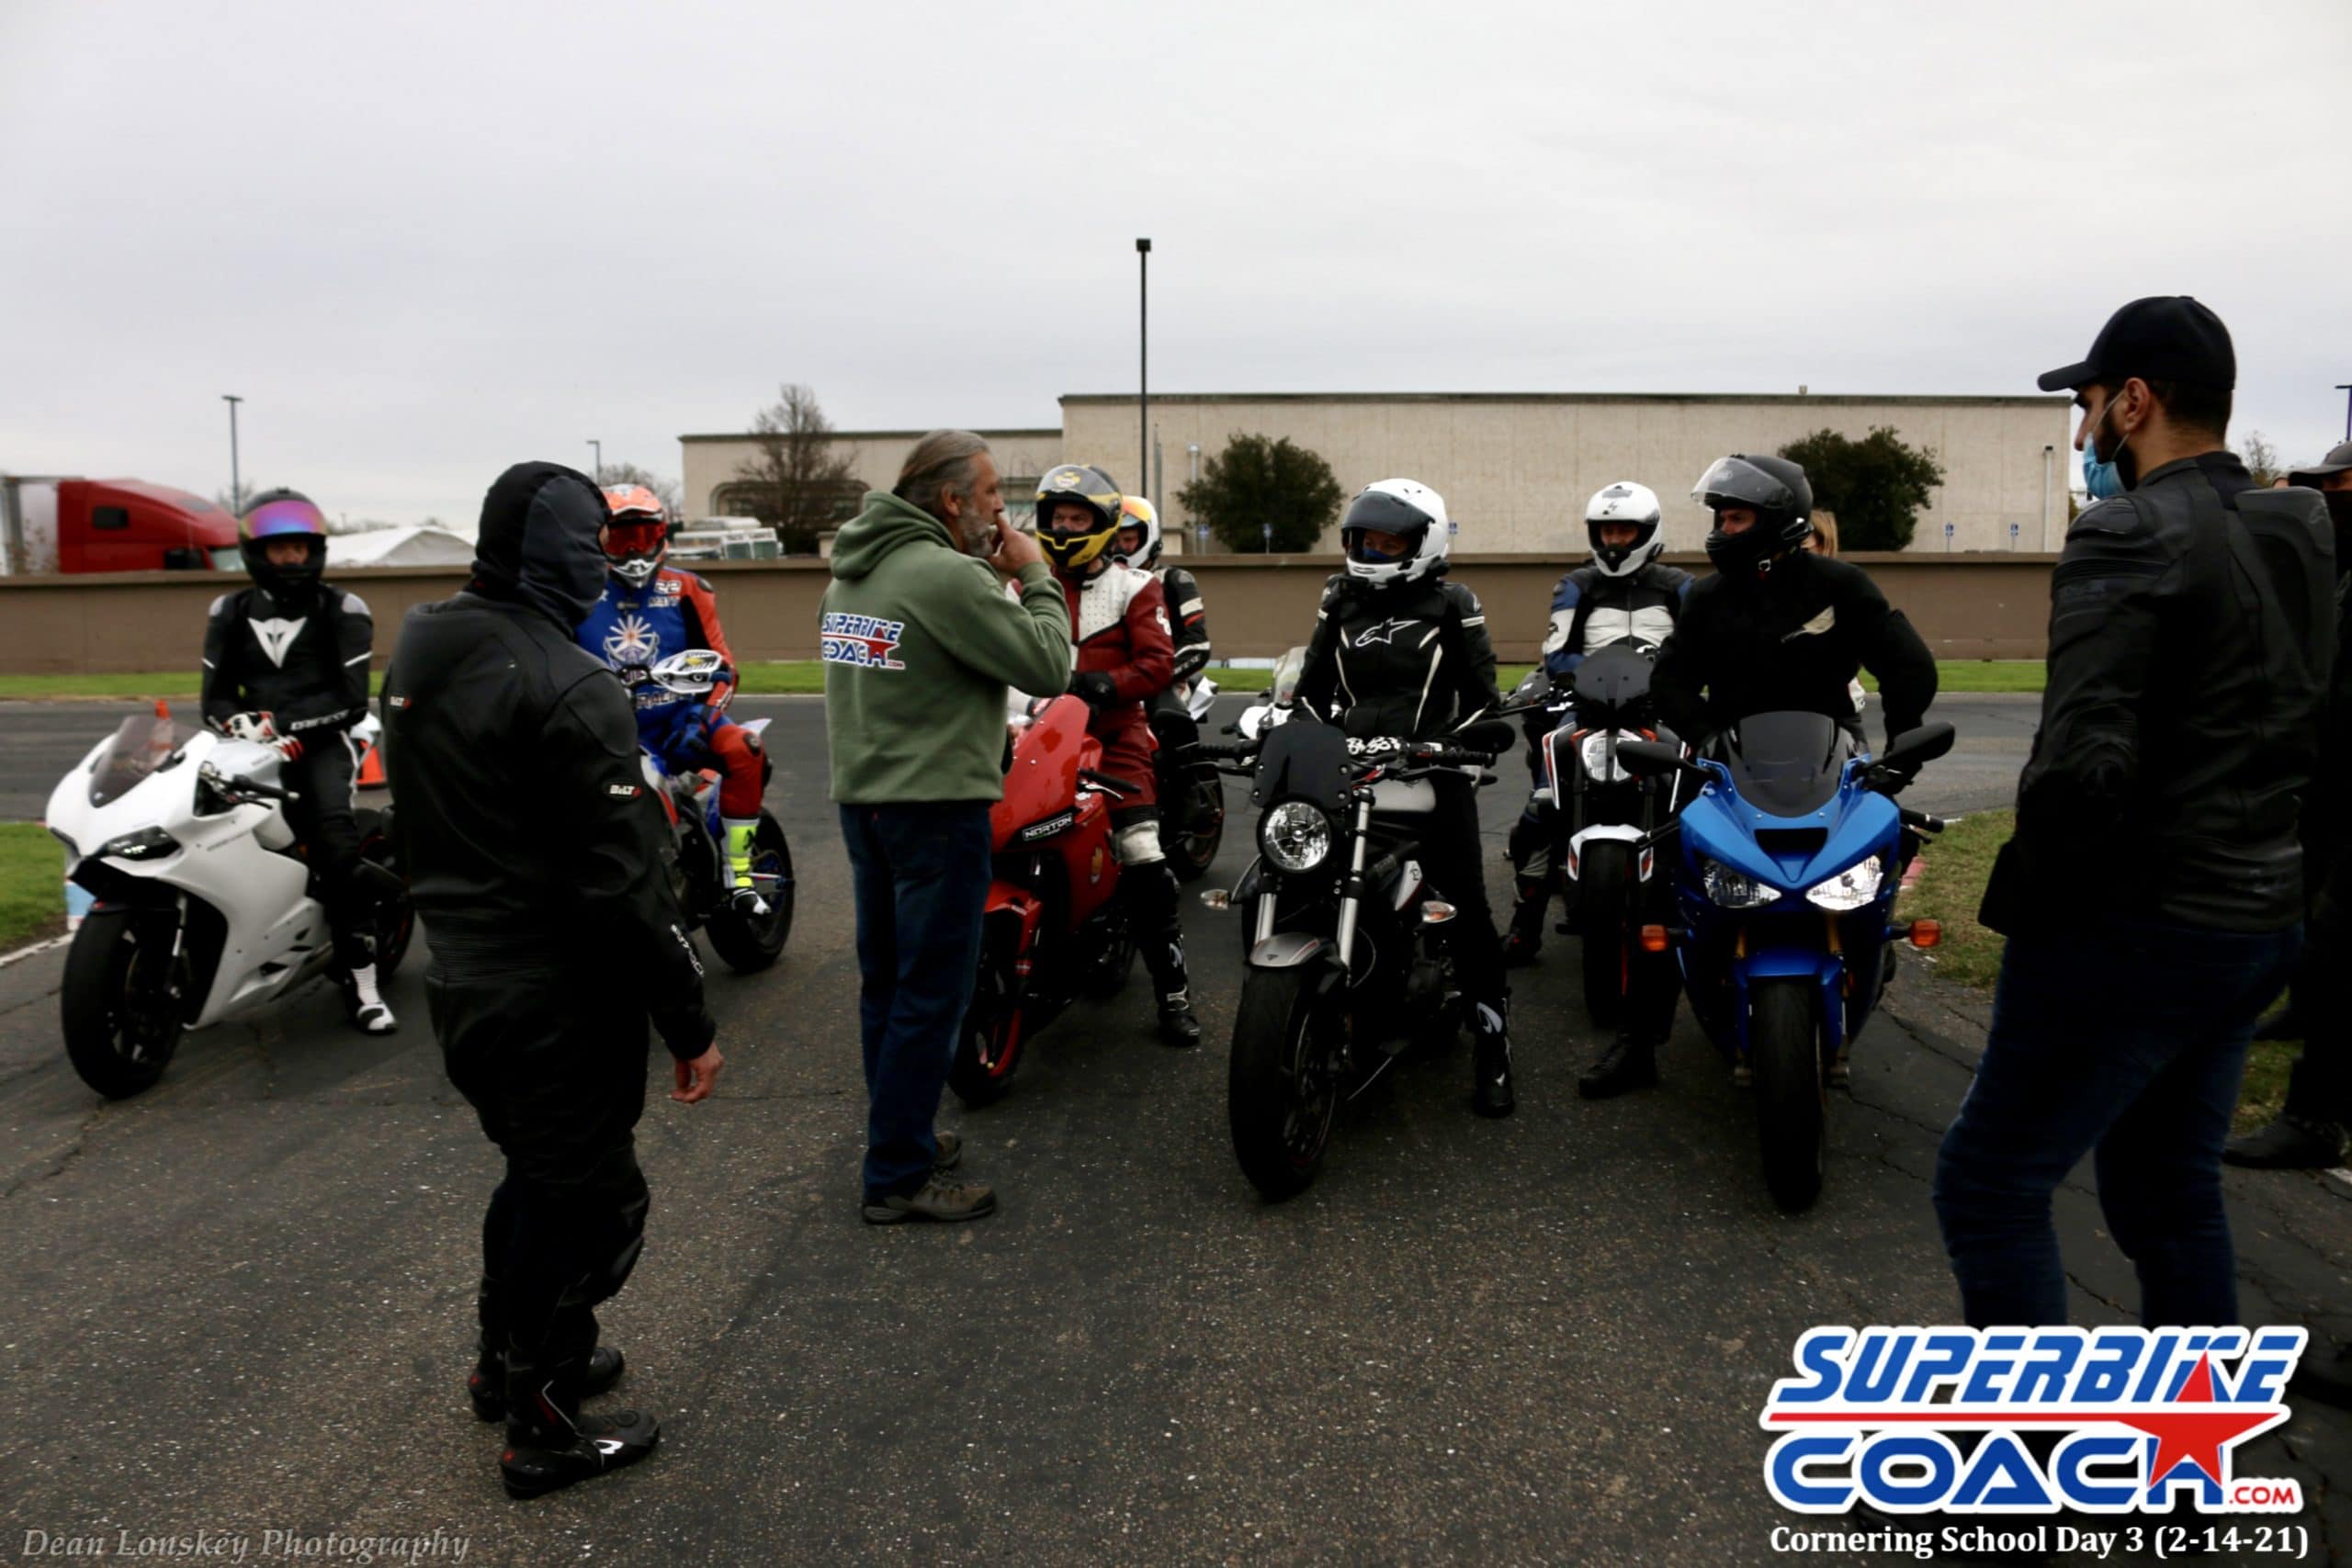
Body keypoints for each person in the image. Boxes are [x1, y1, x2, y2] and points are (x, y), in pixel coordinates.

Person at [1933, 296, 2331, 1330]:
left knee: (1991, 1181)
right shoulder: (2300, 523)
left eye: (2090, 403)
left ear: (2136, 403)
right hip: (2260, 914)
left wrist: (2033, 908)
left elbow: (2079, 766)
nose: (2080, 431)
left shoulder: (2124, 531)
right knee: (2165, 1186)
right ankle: (2186, 1453)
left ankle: (2012, 1462)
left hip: (2139, 923)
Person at [381, 461, 724, 1498]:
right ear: (563, 555)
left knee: (538, 1178)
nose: (603, 565)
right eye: (591, 546)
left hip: (468, 975)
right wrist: (690, 1020)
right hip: (551, 992)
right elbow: (626, 892)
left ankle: (517, 1361)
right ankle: (539, 1422)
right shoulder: (571, 683)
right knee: (594, 1204)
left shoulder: (426, 637)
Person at [822, 431, 1074, 1224]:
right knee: (932, 994)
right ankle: (898, 1174)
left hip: (867, 805)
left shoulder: (853, 572)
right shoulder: (946, 575)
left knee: (888, 988)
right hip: (934, 812)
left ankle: (902, 1136)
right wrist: (1032, 572)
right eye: (994, 492)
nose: (1005, 507)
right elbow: (1047, 667)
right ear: (951, 500)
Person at [1294, 479, 1518, 1117]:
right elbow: (1308, 691)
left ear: (1423, 543)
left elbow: (1482, 702)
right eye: (1366, 538)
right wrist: (1293, 728)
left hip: (1430, 769)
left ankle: (1494, 1045)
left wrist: (1455, 743)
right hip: (1351, 770)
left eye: (1390, 540)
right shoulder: (1339, 600)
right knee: (1304, 874)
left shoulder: (1454, 601)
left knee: (1467, 905)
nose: (1375, 549)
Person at [1508, 482, 1695, 1098]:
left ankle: (1697, 908)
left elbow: (1697, 653)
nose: (1615, 541)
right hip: (1589, 708)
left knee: (1695, 797)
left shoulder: (1679, 586)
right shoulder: (1576, 585)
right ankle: (1527, 917)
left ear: (1647, 531)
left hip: (1655, 710)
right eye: (1607, 531)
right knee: (1542, 796)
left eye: (1625, 531)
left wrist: (1665, 677)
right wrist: (1589, 677)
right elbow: (1556, 652)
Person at [200, 488, 393, 1034]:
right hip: (246, 745)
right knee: (204, 828)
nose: (293, 560)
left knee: (333, 841)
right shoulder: (229, 610)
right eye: (281, 549)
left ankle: (365, 982)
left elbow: (351, 698)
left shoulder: (344, 608)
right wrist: (236, 723)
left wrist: (288, 729)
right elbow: (213, 697)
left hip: (326, 742)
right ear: (256, 552)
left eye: (301, 549)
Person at [1033, 468, 1199, 1043]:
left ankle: (1173, 994)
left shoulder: (1135, 587)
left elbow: (1159, 663)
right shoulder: (1021, 587)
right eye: (1058, 518)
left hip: (1116, 736)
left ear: (1104, 527)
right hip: (1035, 737)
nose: (1066, 527)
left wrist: (1106, 685)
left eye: (1079, 519)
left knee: (1143, 852)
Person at [2226, 438, 2352, 1169]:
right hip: (2332, 776)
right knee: (2302, 903)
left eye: (2334, 485)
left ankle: (2317, 1116)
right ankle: (2305, 1007)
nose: (2324, 498)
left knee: (2342, 936)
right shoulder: (2337, 571)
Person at [1652, 453, 1937, 756]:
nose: (1725, 530)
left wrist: (1901, 747)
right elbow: (1670, 682)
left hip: (1832, 755)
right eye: (1722, 519)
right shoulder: (1706, 596)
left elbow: (1908, 666)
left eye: (1737, 519)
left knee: (1880, 806)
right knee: (1685, 804)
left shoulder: (1840, 584)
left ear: (1777, 521)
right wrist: (1708, 738)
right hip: (1732, 759)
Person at [576, 484, 770, 912]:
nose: (634, 549)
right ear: (599, 539)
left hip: (685, 722)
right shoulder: (577, 596)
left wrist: (701, 717)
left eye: (644, 535)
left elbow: (724, 668)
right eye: (621, 537)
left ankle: (739, 872)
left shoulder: (688, 589)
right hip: (613, 734)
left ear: (663, 532)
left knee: (746, 749)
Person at [1114, 494, 1214, 699]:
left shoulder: (1177, 581)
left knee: (1168, 719)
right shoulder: (1100, 583)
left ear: (1147, 538)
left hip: (1164, 683)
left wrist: (1153, 677)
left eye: (1128, 540)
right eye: (1114, 541)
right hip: (1113, 682)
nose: (1120, 548)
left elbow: (1198, 646)